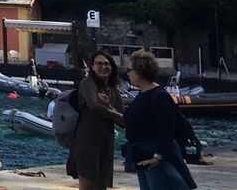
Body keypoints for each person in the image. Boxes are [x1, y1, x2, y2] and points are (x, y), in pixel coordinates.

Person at [123, 49, 197, 190]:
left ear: (140, 72)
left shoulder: (159, 96)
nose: (128, 73)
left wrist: (158, 156)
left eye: (130, 70)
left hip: (155, 157)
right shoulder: (143, 94)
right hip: (142, 155)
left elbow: (166, 129)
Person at [66, 50, 125, 189]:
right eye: (99, 63)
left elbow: (123, 122)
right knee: (88, 186)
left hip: (106, 144)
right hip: (87, 143)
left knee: (101, 186)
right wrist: (114, 112)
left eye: (106, 63)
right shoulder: (88, 83)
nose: (103, 67)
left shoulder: (113, 90)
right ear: (92, 66)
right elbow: (94, 106)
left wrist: (109, 107)